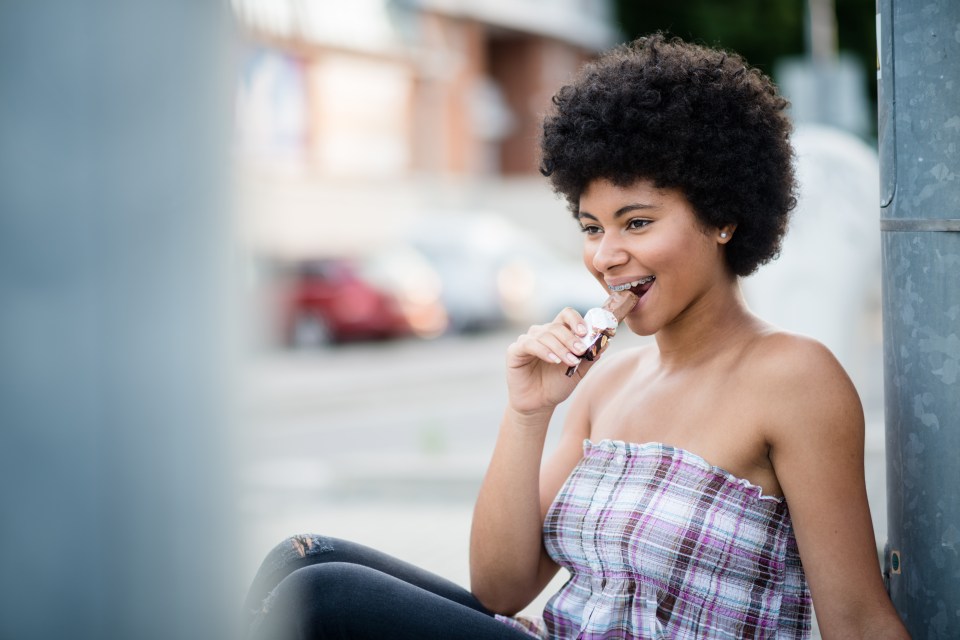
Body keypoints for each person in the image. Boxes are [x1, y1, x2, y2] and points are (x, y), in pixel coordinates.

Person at [242, 34, 910, 639]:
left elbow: (855, 616)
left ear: (724, 217)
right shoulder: (608, 384)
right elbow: (500, 589)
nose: (606, 255)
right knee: (302, 559)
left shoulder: (793, 376)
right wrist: (529, 411)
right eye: (592, 227)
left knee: (322, 596)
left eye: (637, 222)